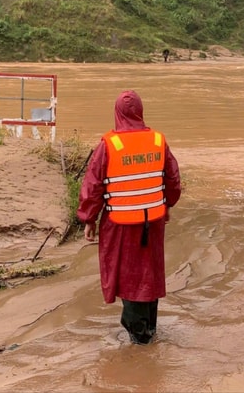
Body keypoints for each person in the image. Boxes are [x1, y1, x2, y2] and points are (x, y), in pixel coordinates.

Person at [77, 90, 182, 345]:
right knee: (149, 273)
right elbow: (173, 180)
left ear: (117, 113)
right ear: (140, 112)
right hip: (153, 221)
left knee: (127, 276)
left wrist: (89, 218)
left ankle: (139, 338)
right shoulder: (158, 140)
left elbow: (93, 186)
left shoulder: (109, 144)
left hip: (120, 225)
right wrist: (166, 204)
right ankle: (149, 330)